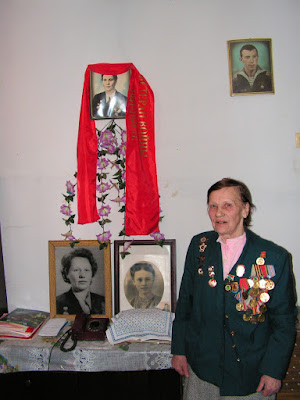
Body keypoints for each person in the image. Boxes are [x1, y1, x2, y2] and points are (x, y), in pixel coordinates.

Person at [171, 178, 297, 399]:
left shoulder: (275, 258)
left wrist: (273, 371)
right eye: (213, 205)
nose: (219, 213)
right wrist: (179, 350)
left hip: (251, 374)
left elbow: (284, 321)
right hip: (202, 368)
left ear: (245, 209)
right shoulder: (199, 246)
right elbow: (185, 304)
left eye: (227, 205)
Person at [56, 248, 105, 315]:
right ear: (67, 274)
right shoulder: (58, 303)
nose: (82, 275)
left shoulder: (103, 301)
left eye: (86, 270)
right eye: (76, 270)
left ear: (92, 273)